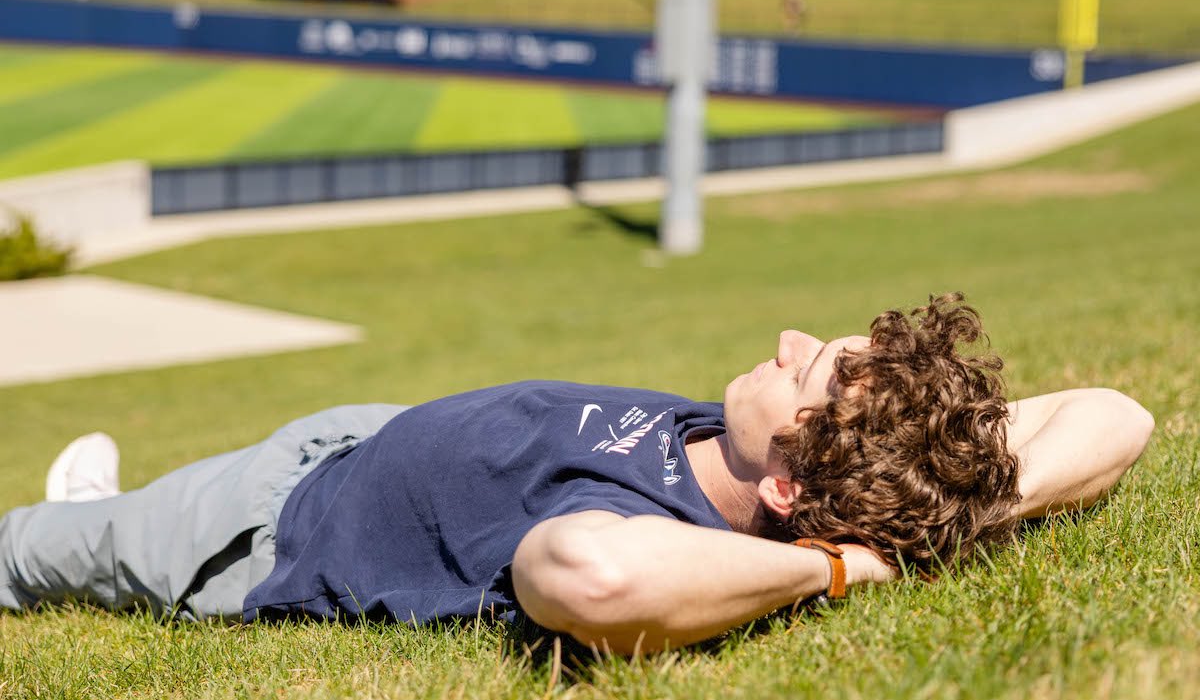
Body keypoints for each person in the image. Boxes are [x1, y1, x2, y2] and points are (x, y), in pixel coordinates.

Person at [0, 294, 1154, 654]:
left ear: (794, 486)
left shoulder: (644, 526)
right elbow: (1116, 413)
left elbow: (586, 578)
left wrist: (847, 568)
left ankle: (85, 525)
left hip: (261, 527)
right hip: (369, 432)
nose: (797, 340)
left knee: (23, 555)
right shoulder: (815, 461)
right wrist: (964, 510)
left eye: (816, 371)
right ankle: (90, 511)